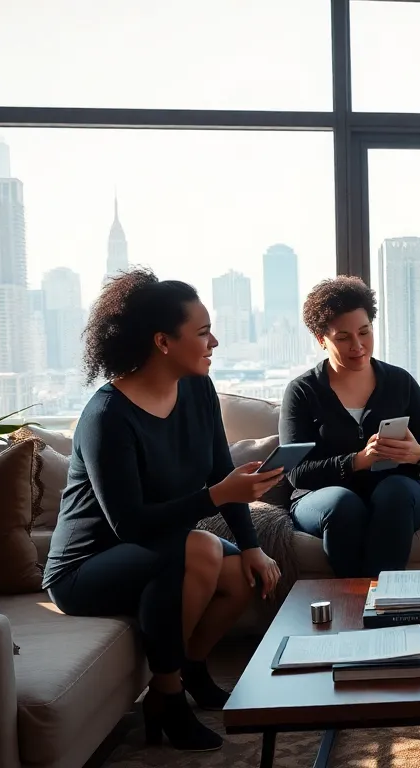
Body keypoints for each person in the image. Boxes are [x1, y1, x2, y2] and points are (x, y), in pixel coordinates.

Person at [44, 270, 284, 752]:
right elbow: (128, 524)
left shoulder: (197, 390)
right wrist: (216, 496)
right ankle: (166, 693)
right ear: (163, 342)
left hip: (162, 548)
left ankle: (192, 666)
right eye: (201, 333)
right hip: (87, 568)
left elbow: (222, 473)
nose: (213, 341)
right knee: (197, 549)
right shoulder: (107, 417)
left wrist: (253, 546)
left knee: (239, 572)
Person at [281, 276, 420, 579]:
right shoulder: (302, 391)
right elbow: (295, 472)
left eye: (364, 332)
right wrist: (359, 461)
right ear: (321, 339)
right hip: (322, 499)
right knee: (344, 504)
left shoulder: (400, 382)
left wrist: (416, 455)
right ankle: (356, 602)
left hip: (398, 496)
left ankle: (384, 601)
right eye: (343, 337)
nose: (357, 345)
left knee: (395, 493)